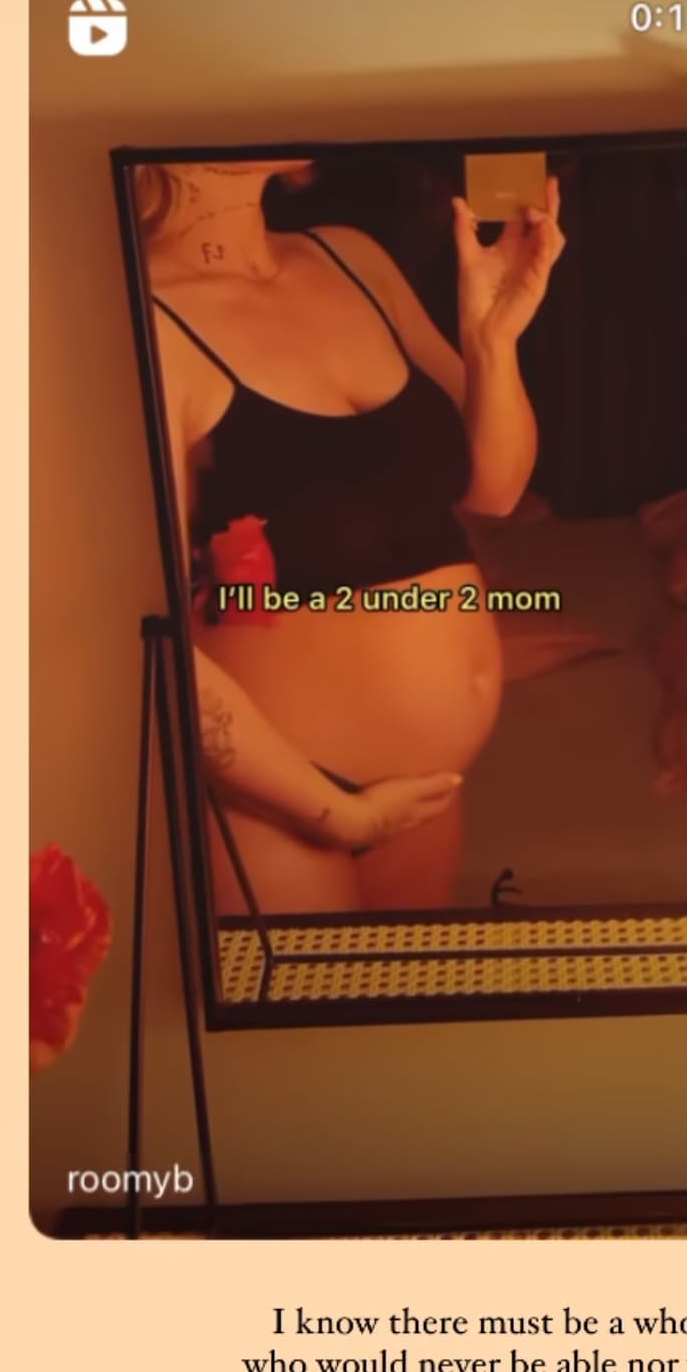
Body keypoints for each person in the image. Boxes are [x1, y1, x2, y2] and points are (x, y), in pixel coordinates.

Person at [138, 158, 564, 913]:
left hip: (423, 793)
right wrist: (335, 812)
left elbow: (494, 490)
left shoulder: (348, 256)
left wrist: (492, 340)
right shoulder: (143, 318)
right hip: (276, 801)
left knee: (404, 998)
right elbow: (150, 627)